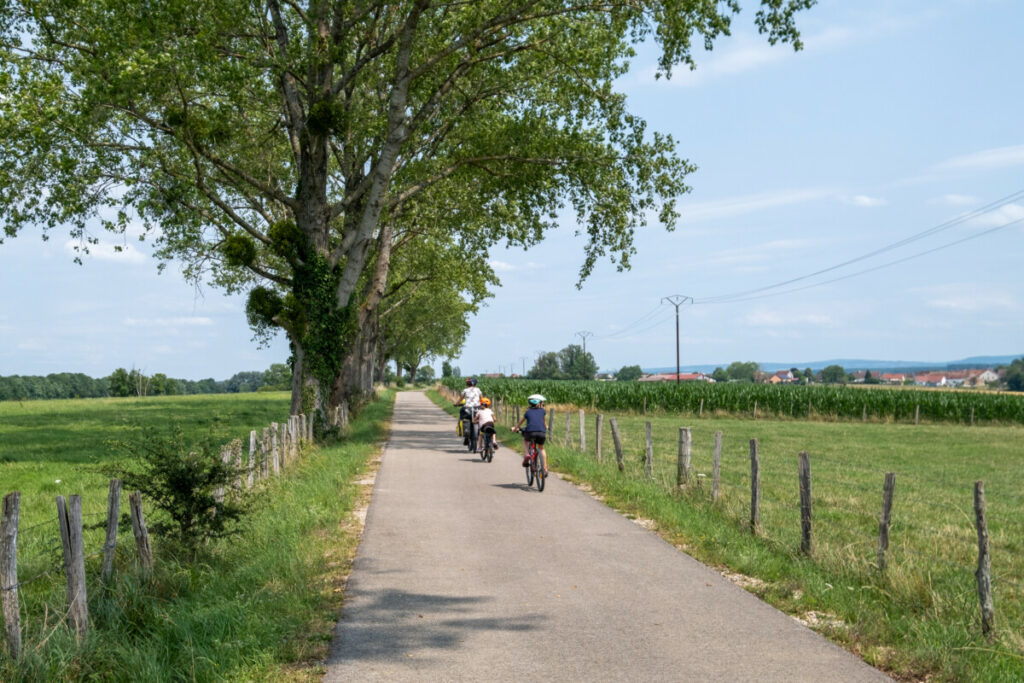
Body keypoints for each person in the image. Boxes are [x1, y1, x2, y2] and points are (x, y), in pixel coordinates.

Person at [512, 393, 548, 475]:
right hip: (541, 433)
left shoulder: (527, 412)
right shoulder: (543, 411)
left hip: (530, 433)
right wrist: (546, 427)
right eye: (542, 403)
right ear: (539, 403)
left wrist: (515, 428)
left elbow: (520, 422)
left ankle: (527, 454)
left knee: (525, 440)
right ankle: (545, 468)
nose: (543, 404)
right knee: (541, 448)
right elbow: (544, 423)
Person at [455, 378, 483, 448]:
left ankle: (464, 432)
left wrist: (456, 403)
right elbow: (481, 399)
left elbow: (460, 399)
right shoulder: (478, 390)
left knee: (462, 416)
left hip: (468, 409)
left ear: (468, 384)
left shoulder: (465, 390)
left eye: (467, 383)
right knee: (480, 419)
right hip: (477, 408)